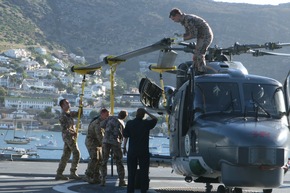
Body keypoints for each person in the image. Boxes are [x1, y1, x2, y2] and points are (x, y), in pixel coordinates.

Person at [123, 108, 158, 193]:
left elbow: (126, 136)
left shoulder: (130, 123)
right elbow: (155, 119)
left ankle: (130, 191)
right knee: (144, 173)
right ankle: (143, 190)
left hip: (132, 150)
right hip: (143, 151)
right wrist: (147, 112)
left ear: (136, 114)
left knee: (131, 173)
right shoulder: (146, 124)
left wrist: (124, 147)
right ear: (143, 115)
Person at [169, 8, 213, 74]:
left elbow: (193, 34)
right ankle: (196, 71)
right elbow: (188, 33)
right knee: (196, 55)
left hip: (205, 36)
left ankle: (202, 72)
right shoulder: (185, 21)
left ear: (177, 15)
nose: (174, 21)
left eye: (174, 19)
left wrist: (181, 39)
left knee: (199, 54)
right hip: (201, 36)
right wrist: (179, 37)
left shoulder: (189, 20)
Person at [55, 98, 82, 180]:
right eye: (66, 103)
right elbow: (64, 129)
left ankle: (59, 173)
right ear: (63, 105)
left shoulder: (69, 113)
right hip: (68, 136)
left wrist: (81, 106)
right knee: (76, 153)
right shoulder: (63, 115)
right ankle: (73, 172)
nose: (69, 104)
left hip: (70, 136)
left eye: (68, 102)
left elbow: (79, 114)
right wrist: (72, 133)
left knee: (66, 155)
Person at [100, 110, 128, 187]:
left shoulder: (110, 118)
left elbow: (101, 125)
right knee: (119, 161)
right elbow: (125, 134)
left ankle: (103, 180)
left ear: (118, 114)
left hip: (106, 141)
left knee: (104, 161)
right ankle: (121, 180)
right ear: (125, 117)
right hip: (115, 142)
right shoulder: (122, 123)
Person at [84, 108, 109, 184]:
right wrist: (106, 146)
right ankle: (88, 175)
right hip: (92, 143)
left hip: (97, 143)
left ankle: (96, 177)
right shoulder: (97, 123)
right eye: (107, 115)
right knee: (94, 158)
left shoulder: (103, 122)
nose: (108, 117)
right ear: (102, 114)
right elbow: (100, 137)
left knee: (100, 159)